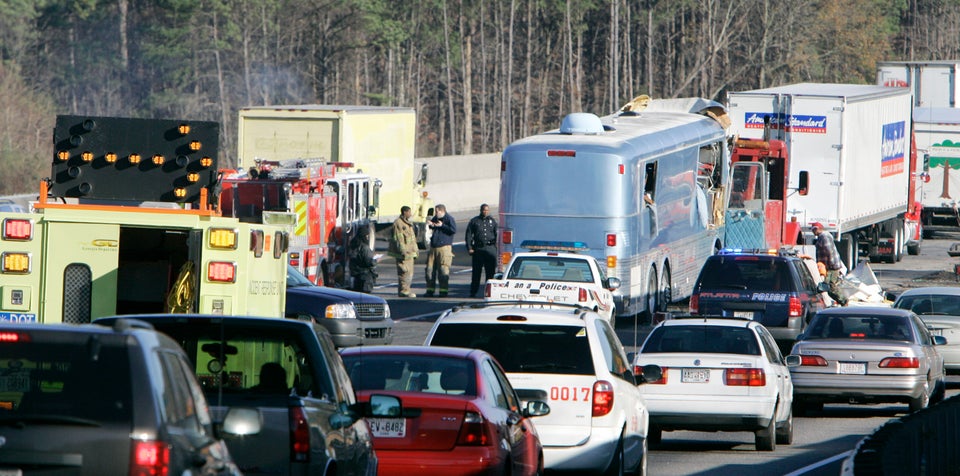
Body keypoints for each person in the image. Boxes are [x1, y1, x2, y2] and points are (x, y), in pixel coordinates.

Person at [465, 204, 498, 298]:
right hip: (478, 249)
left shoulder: (492, 221)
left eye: (487, 210)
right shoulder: (474, 221)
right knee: (476, 272)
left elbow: (496, 234)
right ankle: (473, 291)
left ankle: (489, 293)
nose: (485, 212)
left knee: (490, 273)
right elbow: (468, 235)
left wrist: (496, 247)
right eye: (484, 210)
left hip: (490, 248)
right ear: (480, 210)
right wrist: (470, 248)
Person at [812, 222, 848, 306]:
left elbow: (829, 251)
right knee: (826, 286)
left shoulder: (824, 237)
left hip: (831, 266)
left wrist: (831, 266)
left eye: (814, 229)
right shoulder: (822, 236)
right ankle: (840, 302)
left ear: (818, 229)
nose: (813, 232)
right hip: (829, 266)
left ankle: (844, 301)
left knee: (829, 287)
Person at [425, 204, 456, 297]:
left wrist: (442, 226)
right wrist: (431, 225)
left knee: (443, 270)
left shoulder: (449, 219)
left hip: (444, 248)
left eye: (437, 211)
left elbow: (453, 230)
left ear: (442, 211)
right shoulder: (436, 218)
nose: (436, 213)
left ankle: (443, 291)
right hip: (433, 247)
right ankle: (430, 290)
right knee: (429, 270)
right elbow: (433, 227)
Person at [390, 206, 419, 297]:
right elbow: (399, 239)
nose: (410, 214)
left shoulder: (408, 223)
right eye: (409, 212)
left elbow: (412, 239)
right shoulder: (398, 223)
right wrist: (403, 251)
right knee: (404, 272)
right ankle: (404, 291)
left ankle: (406, 289)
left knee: (409, 273)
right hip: (404, 254)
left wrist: (415, 250)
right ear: (404, 212)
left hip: (410, 252)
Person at [348, 227, 378, 293]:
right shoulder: (365, 248)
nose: (368, 238)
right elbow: (369, 261)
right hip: (365, 278)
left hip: (356, 277)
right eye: (367, 236)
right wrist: (376, 260)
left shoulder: (353, 246)